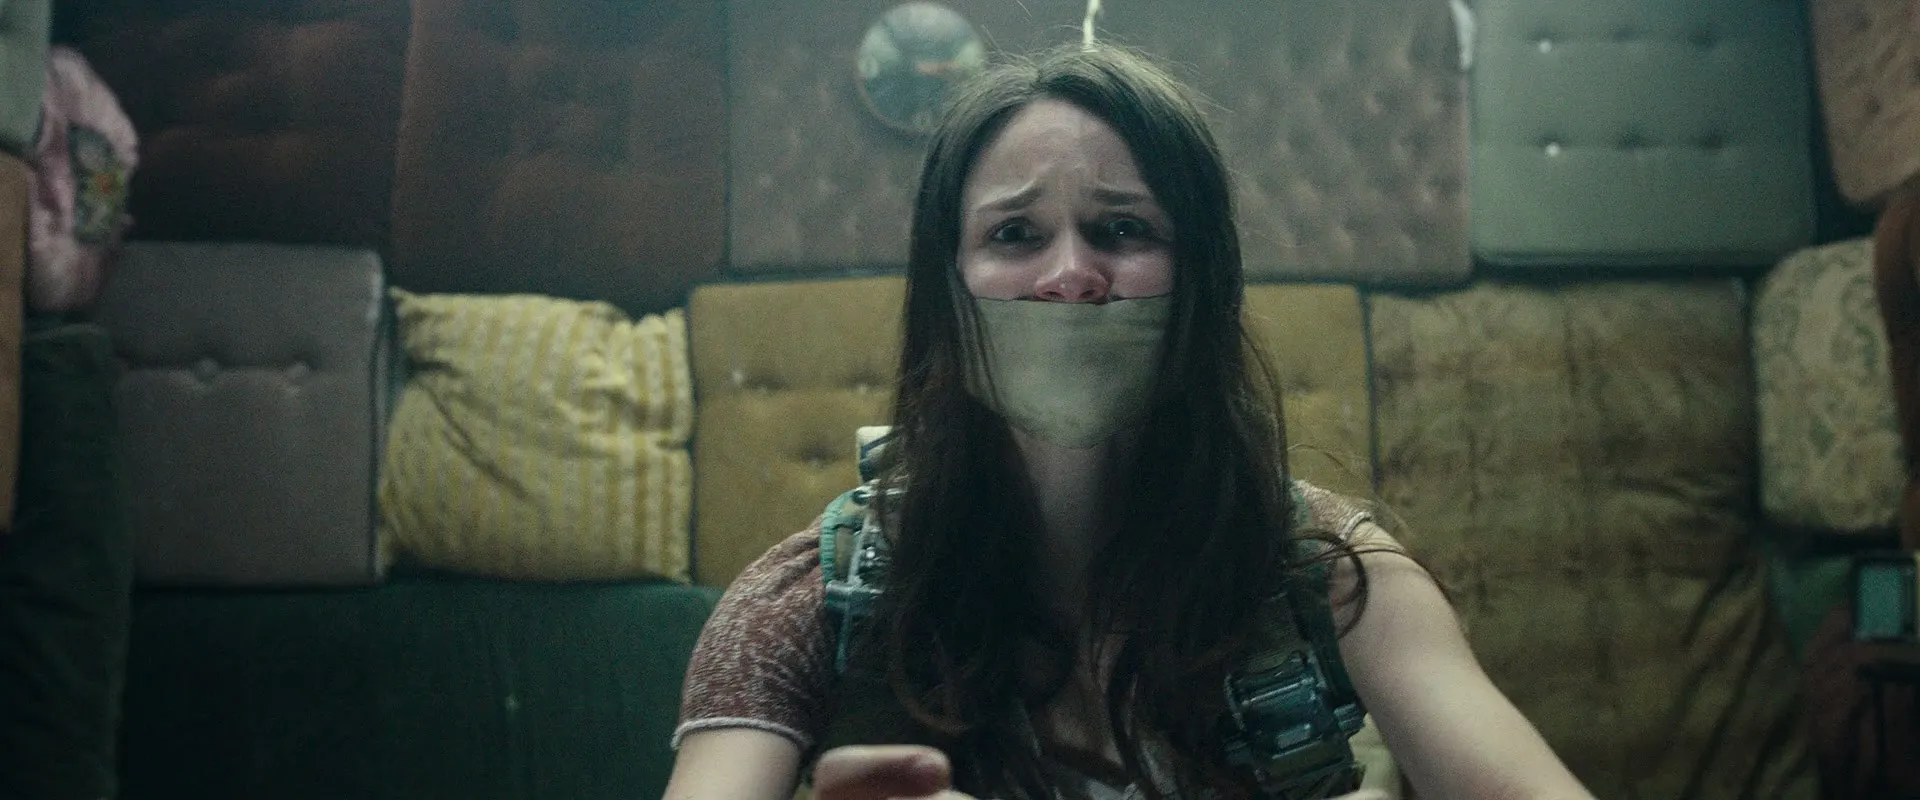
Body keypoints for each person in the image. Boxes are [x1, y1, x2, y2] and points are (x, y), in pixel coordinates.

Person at [662, 43, 1592, 800]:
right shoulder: (803, 604)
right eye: (1014, 234)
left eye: (1122, 230)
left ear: (1204, 280)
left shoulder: (1338, 575)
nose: (1071, 275)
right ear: (948, 289)